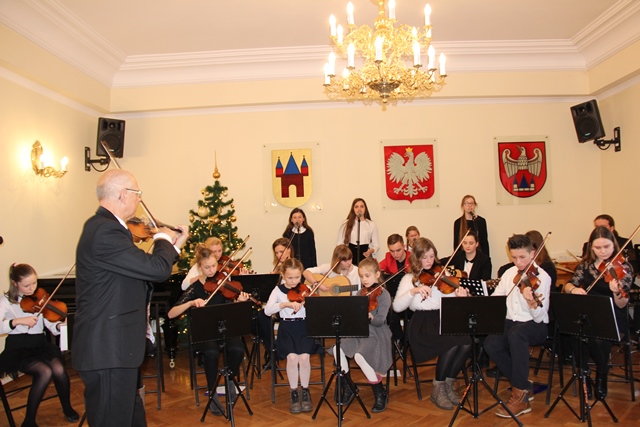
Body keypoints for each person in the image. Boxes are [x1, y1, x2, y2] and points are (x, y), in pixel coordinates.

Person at [73, 169, 188, 427]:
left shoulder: (109, 229)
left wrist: (174, 246)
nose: (139, 199)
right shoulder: (105, 231)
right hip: (107, 350)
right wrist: (162, 237)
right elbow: (156, 270)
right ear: (124, 195)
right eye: (137, 193)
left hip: (116, 349)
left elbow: (143, 271)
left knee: (131, 418)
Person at [168, 244, 250, 415]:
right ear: (200, 267)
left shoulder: (223, 283)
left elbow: (231, 308)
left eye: (214, 266)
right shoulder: (195, 287)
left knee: (237, 349)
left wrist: (239, 302)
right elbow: (171, 313)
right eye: (207, 267)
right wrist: (191, 303)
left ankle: (230, 380)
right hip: (204, 332)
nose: (212, 270)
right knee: (211, 352)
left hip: (224, 329)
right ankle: (212, 392)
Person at [392, 238, 472, 410]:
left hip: (444, 319)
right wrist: (413, 291)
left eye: (431, 256)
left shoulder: (442, 274)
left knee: (466, 342)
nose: (429, 261)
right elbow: (397, 307)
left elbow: (451, 301)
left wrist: (460, 297)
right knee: (451, 344)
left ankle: (448, 384)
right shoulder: (409, 279)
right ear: (416, 258)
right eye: (424, 257)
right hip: (423, 324)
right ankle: (438, 388)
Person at [0, 263, 79, 427]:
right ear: (15, 283)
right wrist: (17, 321)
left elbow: (49, 322)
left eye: (34, 283)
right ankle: (29, 421)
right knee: (45, 372)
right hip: (19, 348)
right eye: (26, 285)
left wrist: (59, 326)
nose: (32, 288)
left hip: (39, 344)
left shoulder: (40, 297)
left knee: (59, 369)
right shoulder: (6, 301)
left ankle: (67, 407)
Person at [483, 234, 551, 418]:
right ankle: (524, 385)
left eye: (522, 257)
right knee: (491, 344)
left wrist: (531, 303)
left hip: (535, 324)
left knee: (516, 334)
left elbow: (540, 316)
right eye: (514, 257)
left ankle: (520, 396)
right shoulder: (509, 273)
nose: (518, 262)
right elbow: (497, 299)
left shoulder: (542, 278)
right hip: (511, 322)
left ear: (532, 254)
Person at [564, 226, 633, 399]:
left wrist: (616, 292)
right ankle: (584, 375)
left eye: (606, 247)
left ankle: (602, 375)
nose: (602, 251)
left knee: (598, 339)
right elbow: (569, 284)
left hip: (613, 316)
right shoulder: (585, 265)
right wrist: (574, 290)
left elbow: (622, 303)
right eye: (598, 247)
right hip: (589, 313)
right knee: (576, 334)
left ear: (614, 245)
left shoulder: (623, 267)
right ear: (591, 248)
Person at [263, 258, 324, 414]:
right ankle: (293, 392)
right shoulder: (277, 291)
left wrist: (311, 301)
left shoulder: (305, 289)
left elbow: (317, 310)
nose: (294, 281)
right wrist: (284, 304)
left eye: (297, 277)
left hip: (304, 327)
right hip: (287, 328)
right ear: (283, 275)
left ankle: (305, 390)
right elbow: (267, 310)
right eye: (290, 278)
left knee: (304, 358)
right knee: (291, 358)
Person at [332, 258, 392, 412]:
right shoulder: (360, 293)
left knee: (359, 356)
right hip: (360, 331)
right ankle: (349, 387)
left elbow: (380, 321)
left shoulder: (384, 295)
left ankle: (379, 392)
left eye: (367, 275)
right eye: (361, 276)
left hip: (377, 333)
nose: (364, 279)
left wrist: (371, 317)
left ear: (377, 274)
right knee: (337, 349)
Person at [378, 234, 411, 340]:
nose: (395, 254)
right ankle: (398, 337)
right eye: (392, 251)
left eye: (398, 250)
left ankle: (408, 338)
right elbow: (376, 268)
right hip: (396, 300)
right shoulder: (389, 258)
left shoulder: (413, 258)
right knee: (388, 310)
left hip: (410, 299)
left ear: (404, 246)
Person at [337, 198, 380, 265]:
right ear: (353, 209)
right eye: (356, 207)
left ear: (365, 209)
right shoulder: (346, 223)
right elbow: (339, 242)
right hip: (349, 257)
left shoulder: (371, 224)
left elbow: (376, 245)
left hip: (365, 256)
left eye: (362, 206)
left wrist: (370, 251)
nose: (359, 209)